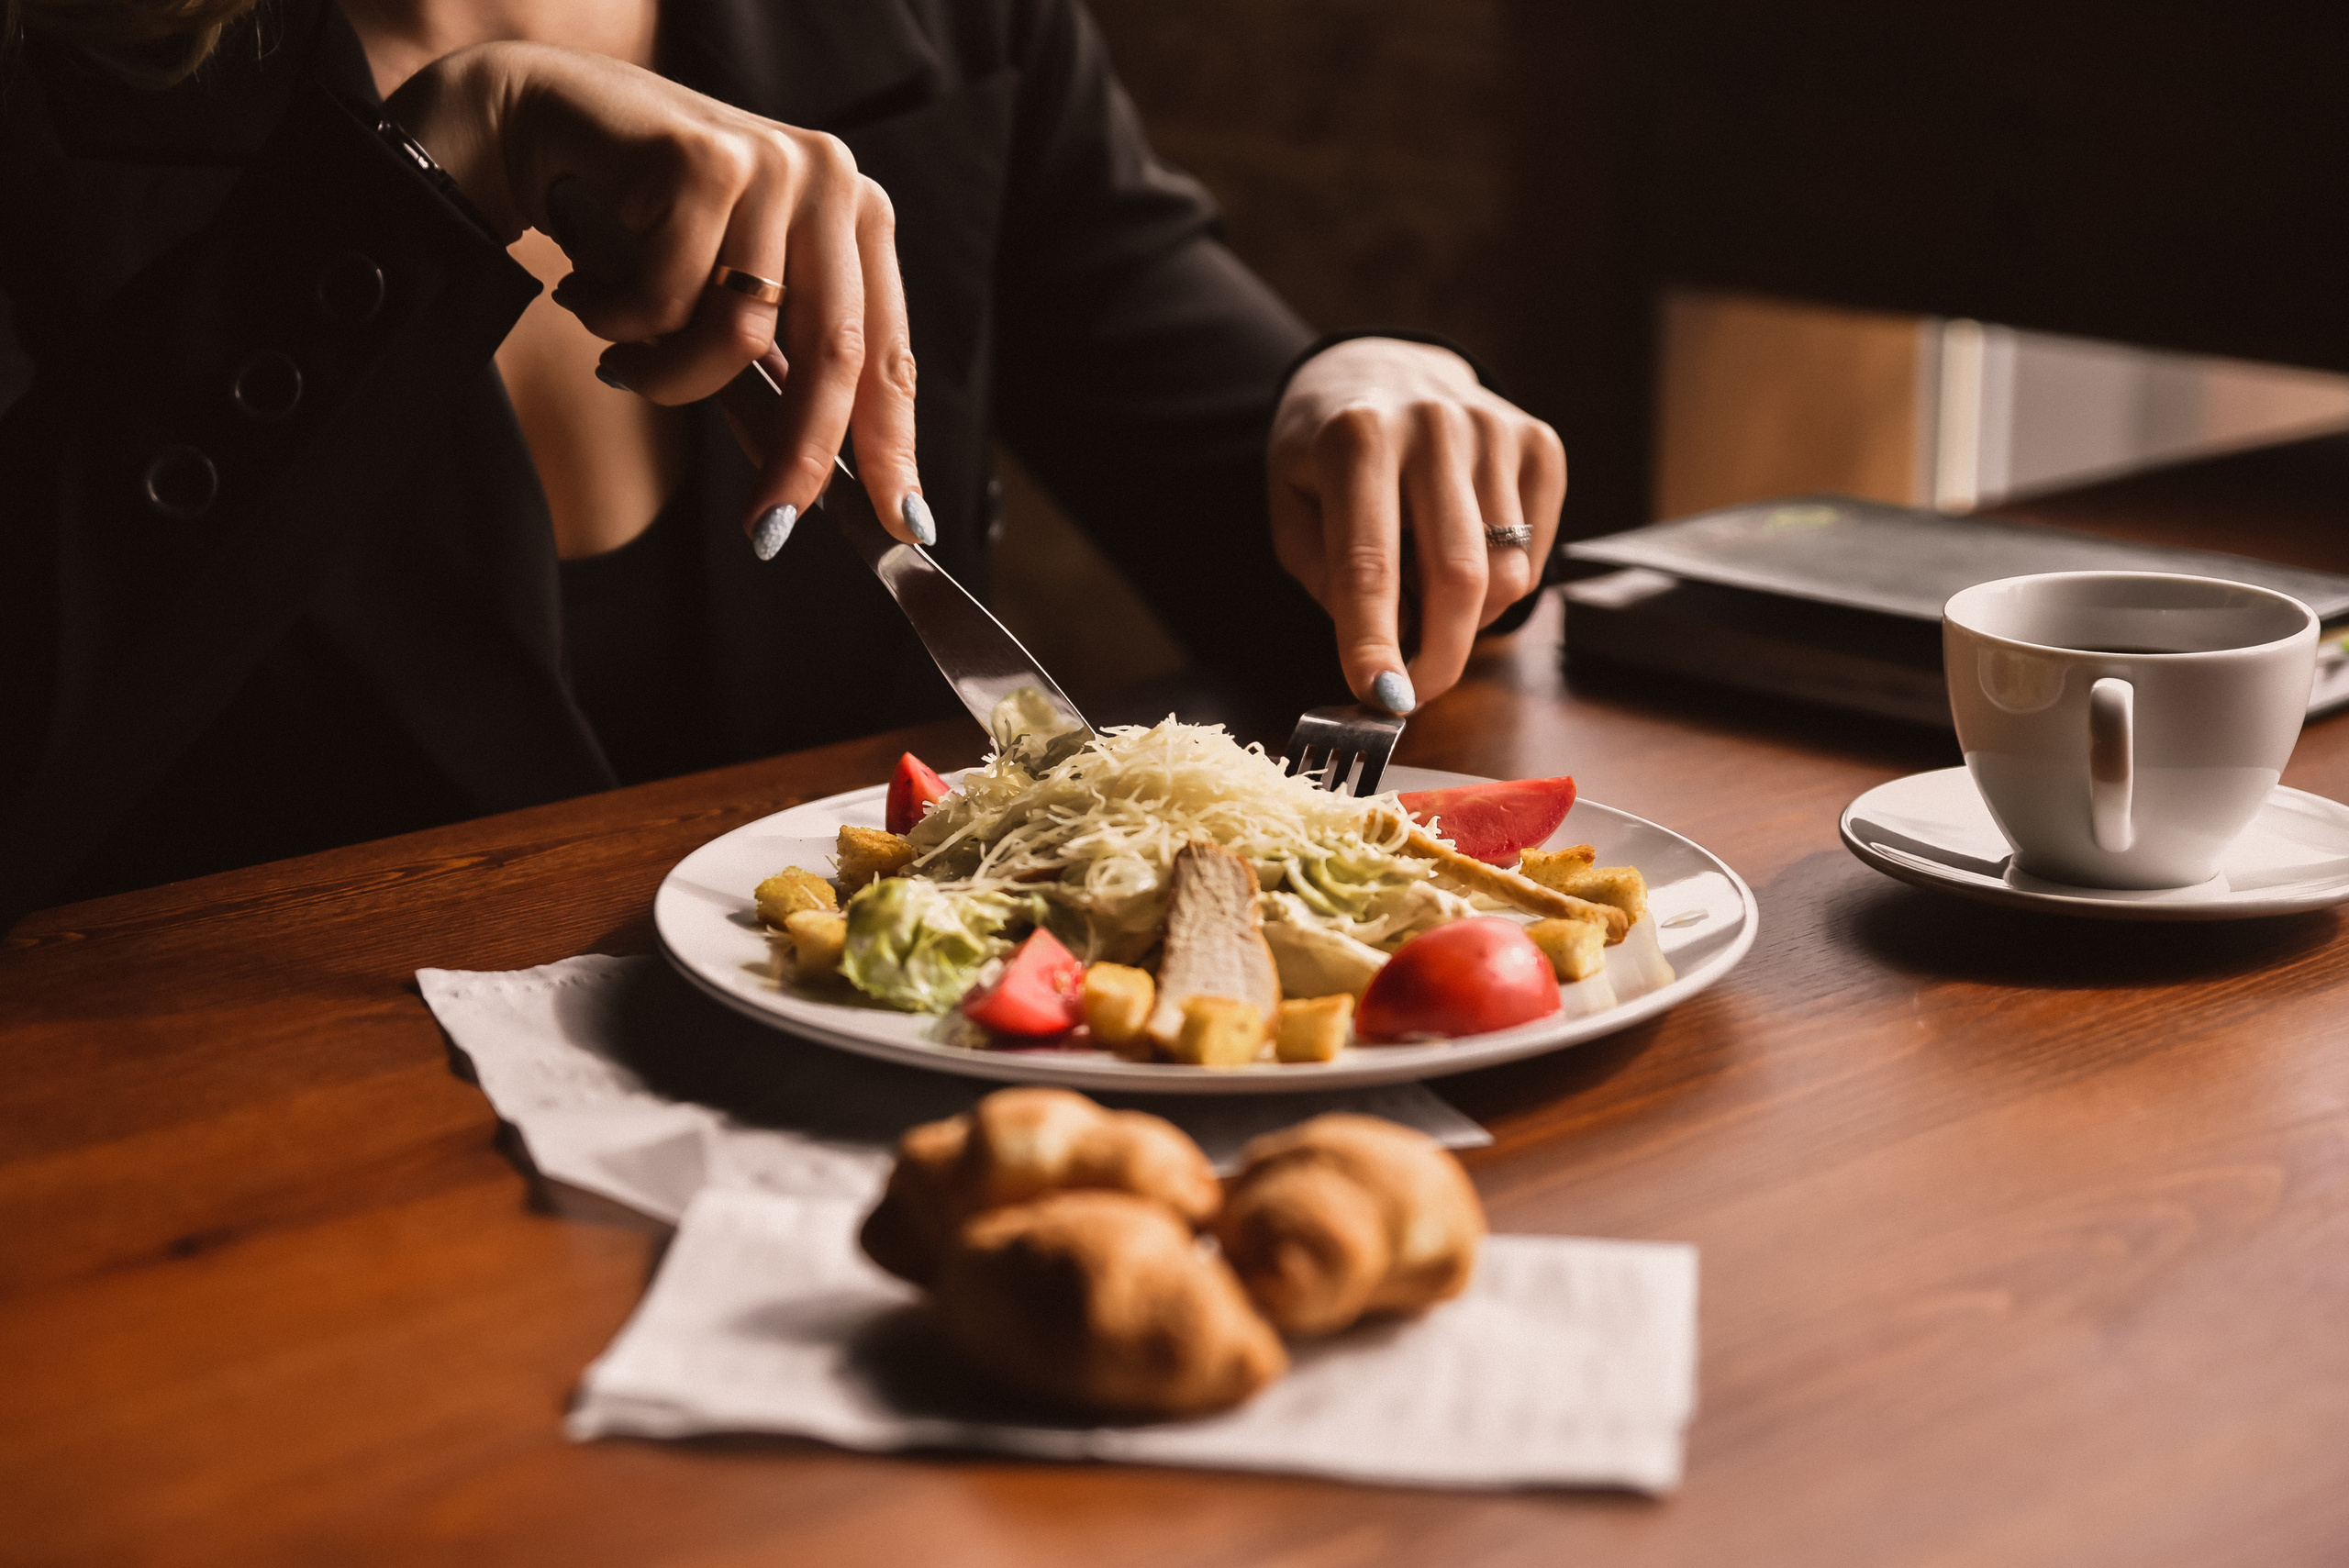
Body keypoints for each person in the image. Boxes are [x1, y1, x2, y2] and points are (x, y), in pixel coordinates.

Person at [0, 0, 1565, 918]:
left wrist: (1361, 394)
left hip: (881, 1180)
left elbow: (1279, 533)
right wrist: (437, 173)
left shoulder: (945, 16)